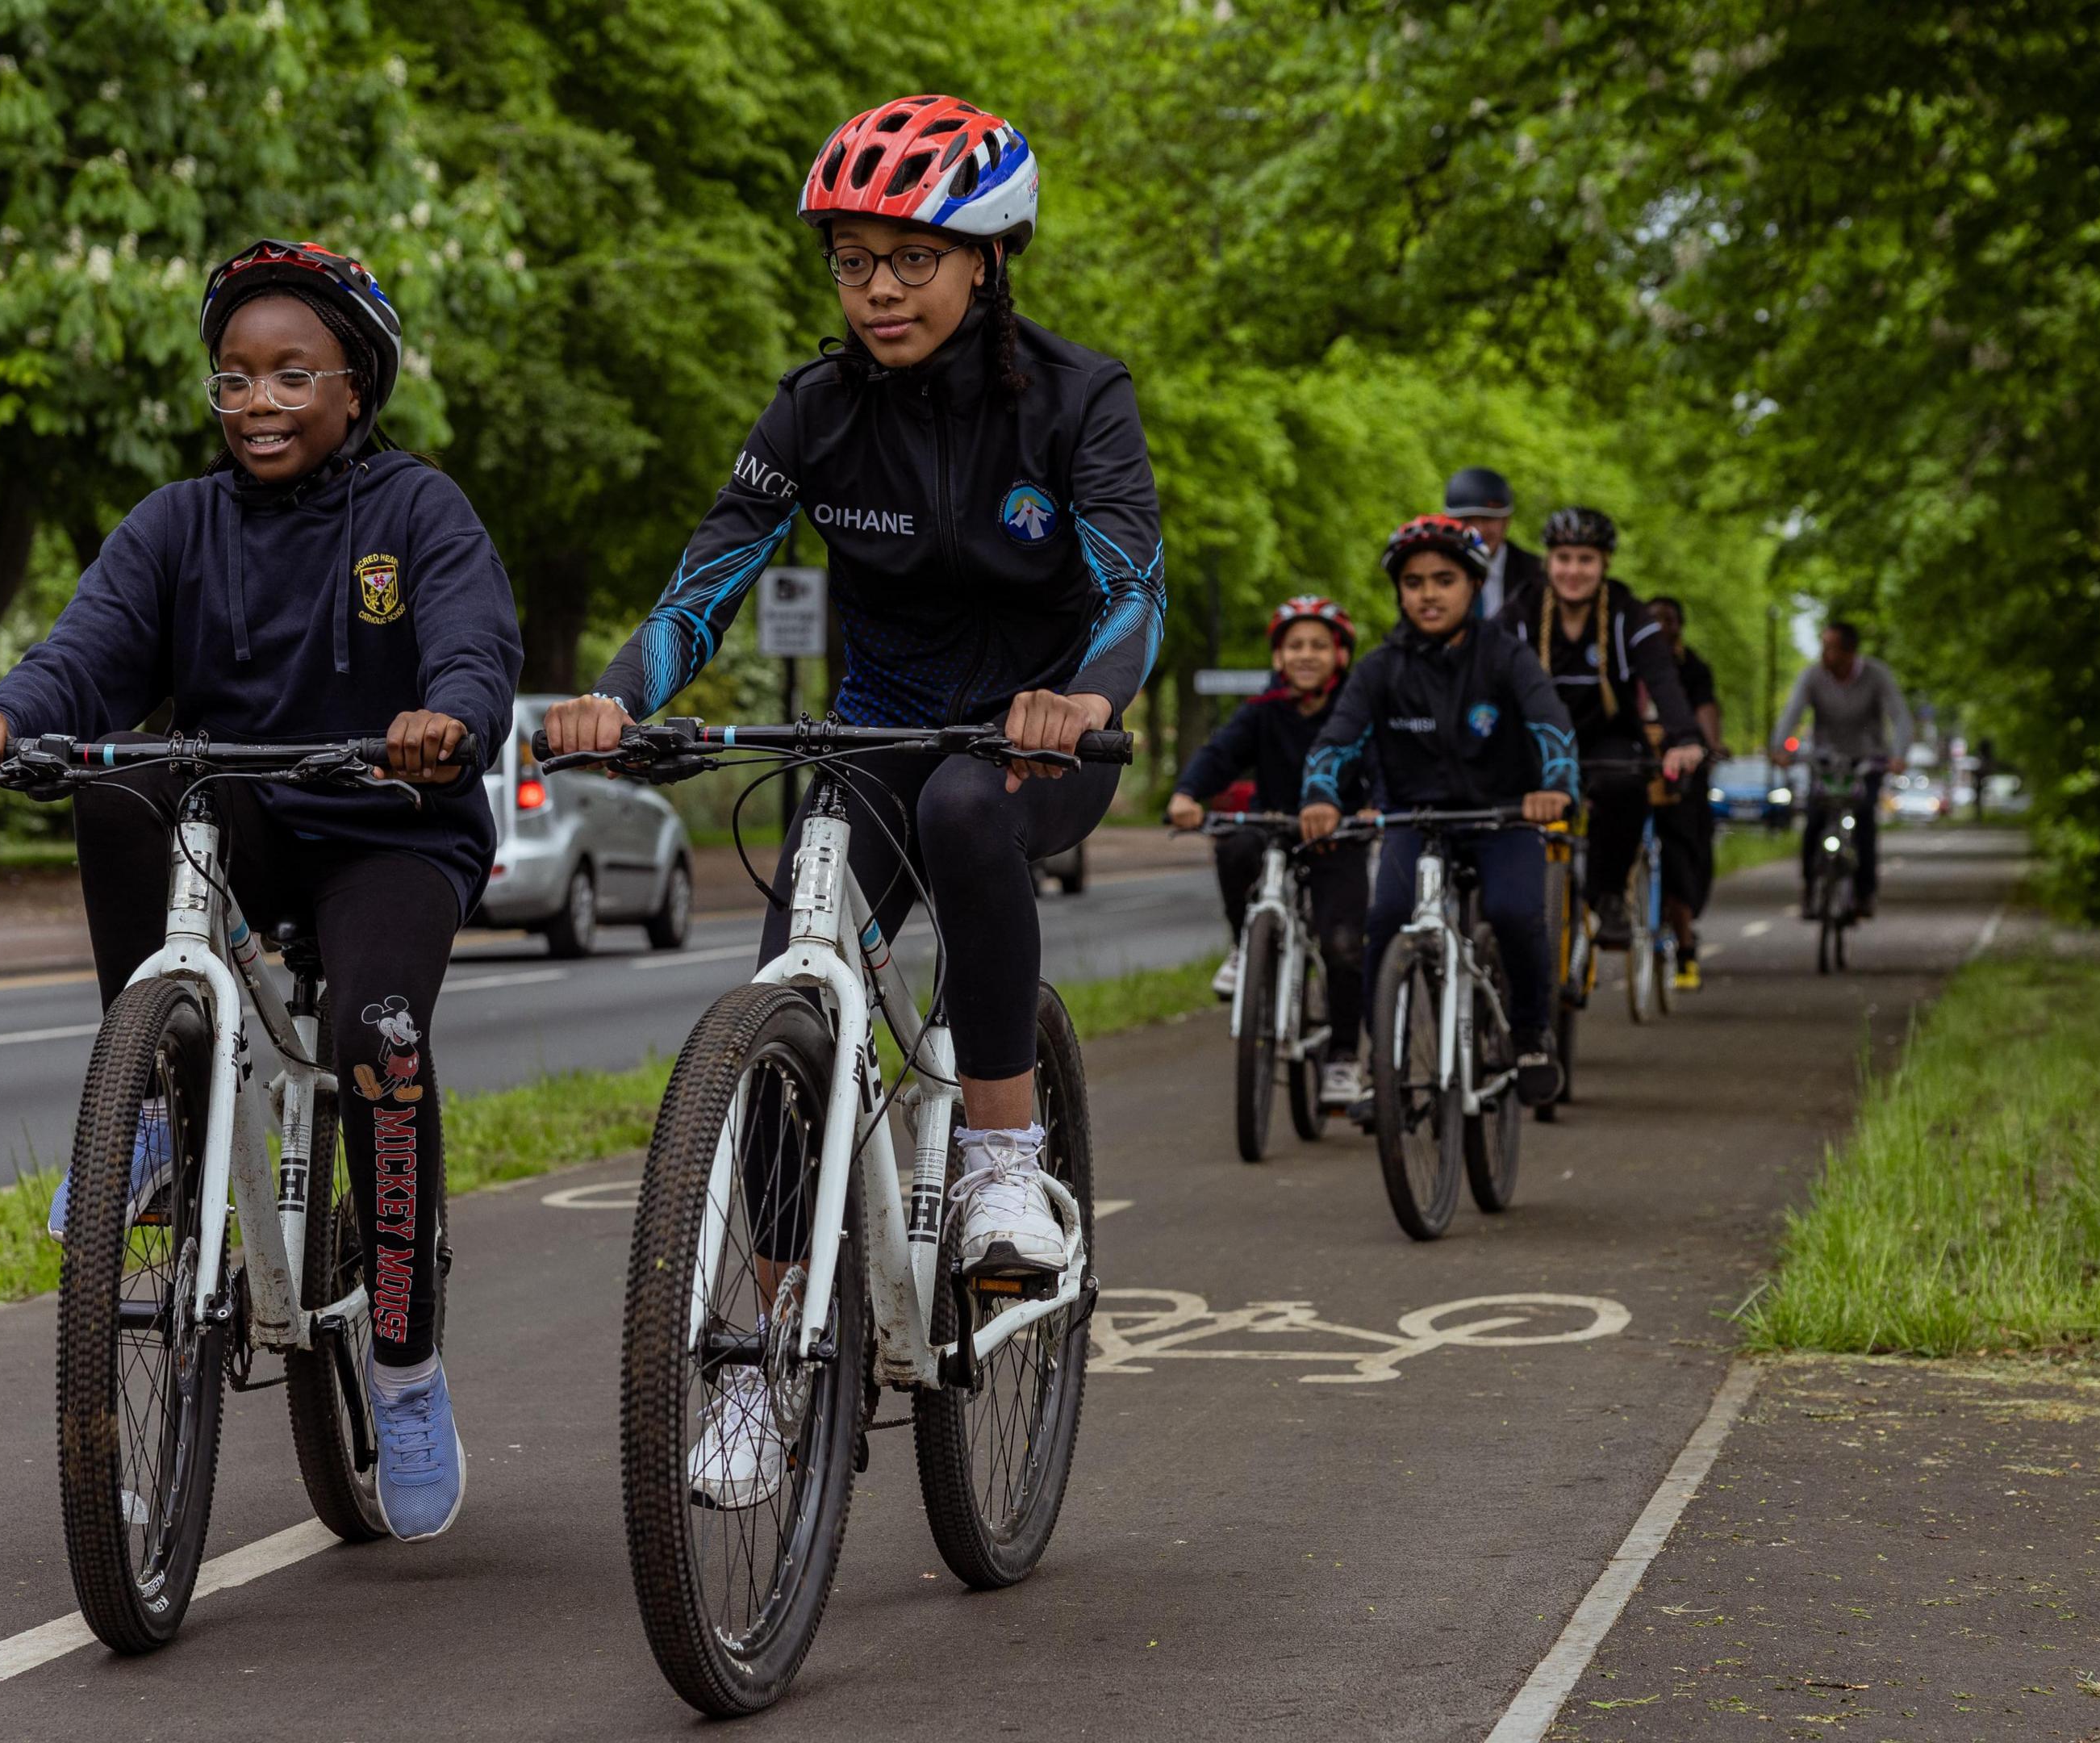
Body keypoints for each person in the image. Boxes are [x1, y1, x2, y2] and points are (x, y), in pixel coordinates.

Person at [542, 97, 1162, 1502]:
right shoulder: (817, 409)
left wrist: (1088, 701)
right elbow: (712, 574)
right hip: (876, 727)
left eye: (911, 259)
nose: (877, 289)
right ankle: (757, 1359)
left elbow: (1134, 587)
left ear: (989, 259)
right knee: (786, 1004)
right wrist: (622, 692)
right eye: (851, 261)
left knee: (962, 811)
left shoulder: (1077, 398)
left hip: (1035, 739)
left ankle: (1004, 1158)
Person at [0, 239, 523, 1542]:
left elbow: (478, 647)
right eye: (234, 378)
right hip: (241, 813)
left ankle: (406, 1366)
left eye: (289, 375)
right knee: (118, 783)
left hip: (391, 825)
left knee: (377, 1037)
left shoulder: (421, 514)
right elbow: (83, 656)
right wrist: (2, 717)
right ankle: (153, 1100)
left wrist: (450, 716)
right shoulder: (174, 526)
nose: (257, 401)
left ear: (354, 385)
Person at [1300, 516, 1576, 1107]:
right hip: (1416, 823)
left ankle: (1530, 1034)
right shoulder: (1380, 668)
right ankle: (1386, 1062)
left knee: (1514, 910)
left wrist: (1554, 785)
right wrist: (1321, 795)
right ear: (1400, 592)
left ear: (1474, 586)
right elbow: (1338, 739)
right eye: (1414, 581)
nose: (1428, 593)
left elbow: (1550, 722)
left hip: (1502, 818)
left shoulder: (1508, 656)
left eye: (1444, 579)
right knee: (1387, 918)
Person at [1167, 596, 1373, 1108]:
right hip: (1274, 828)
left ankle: (1345, 1057)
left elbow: (1388, 764)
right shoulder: (1261, 712)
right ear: (1279, 658)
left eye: (1319, 646)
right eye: (1295, 645)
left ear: (1340, 656)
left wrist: (1374, 808)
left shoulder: (1357, 711)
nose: (1307, 655)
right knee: (1235, 847)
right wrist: (1186, 794)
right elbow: (1221, 754)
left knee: (1345, 943)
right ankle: (1245, 944)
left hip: (1339, 838)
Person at [1497, 508, 1705, 957]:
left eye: (1585, 560)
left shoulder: (1629, 615)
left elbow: (1663, 679)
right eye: (1564, 558)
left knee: (1626, 783)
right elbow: (1484, 679)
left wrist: (1685, 738)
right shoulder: (1519, 612)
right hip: (1534, 744)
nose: (1573, 571)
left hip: (1606, 740)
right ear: (1548, 562)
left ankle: (1608, 896)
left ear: (1605, 563)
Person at [1772, 621, 1914, 918]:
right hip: (1826, 759)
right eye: (1823, 646)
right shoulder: (1813, 676)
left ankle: (1865, 893)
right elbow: (1792, 713)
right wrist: (1779, 748)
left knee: (1864, 820)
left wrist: (1898, 755)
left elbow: (1900, 716)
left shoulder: (1876, 675)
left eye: (1830, 647)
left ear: (1849, 652)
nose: (1824, 653)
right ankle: (1811, 887)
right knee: (1814, 819)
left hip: (1867, 760)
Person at [1641, 594, 1722, 989]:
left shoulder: (1693, 668)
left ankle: (1686, 946)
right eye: (1652, 619)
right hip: (1637, 766)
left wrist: (1708, 745)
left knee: (1679, 851)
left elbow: (1705, 709)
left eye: (1667, 619)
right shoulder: (1628, 660)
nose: (1660, 626)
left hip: (1681, 774)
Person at [1442, 465, 1547, 621]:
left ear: (1507, 521)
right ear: (1449, 523)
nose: (1478, 530)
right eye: (1467, 519)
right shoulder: (1435, 571)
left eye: (1488, 518)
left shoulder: (1537, 575)